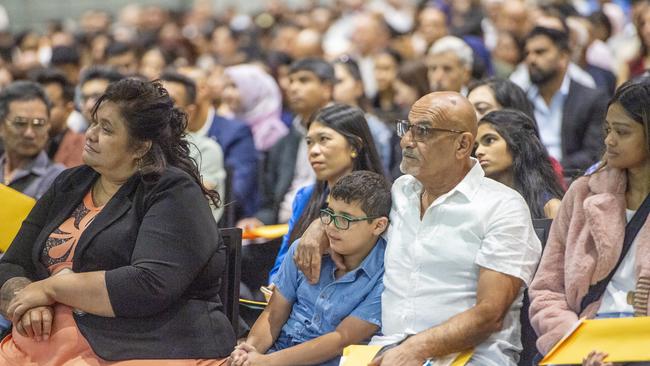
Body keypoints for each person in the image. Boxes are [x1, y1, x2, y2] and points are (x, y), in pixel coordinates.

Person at [295, 92, 541, 365]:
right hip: (385, 349)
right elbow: (354, 216)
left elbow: (490, 314)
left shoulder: (502, 207)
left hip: (468, 357)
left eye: (422, 131)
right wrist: (318, 228)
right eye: (407, 127)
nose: (406, 141)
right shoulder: (402, 191)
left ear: (462, 145)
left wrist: (416, 348)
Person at [0, 79, 236, 364]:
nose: (91, 135)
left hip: (143, 344)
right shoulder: (70, 182)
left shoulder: (172, 190)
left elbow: (149, 285)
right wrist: (24, 300)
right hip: (45, 339)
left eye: (107, 129)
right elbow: (13, 262)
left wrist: (50, 289)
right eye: (94, 123)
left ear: (140, 147)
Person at [529, 77, 650, 359]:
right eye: (608, 129)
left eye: (622, 132)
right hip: (584, 336)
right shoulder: (583, 193)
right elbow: (548, 289)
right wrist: (572, 342)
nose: (609, 140)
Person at [230, 170, 391, 366]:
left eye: (345, 219)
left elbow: (341, 339)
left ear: (378, 225)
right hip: (277, 350)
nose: (331, 226)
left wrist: (266, 361)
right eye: (329, 213)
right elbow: (273, 313)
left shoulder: (386, 274)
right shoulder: (305, 249)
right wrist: (250, 352)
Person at [268, 103, 384, 284]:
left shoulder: (380, 201)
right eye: (309, 142)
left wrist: (324, 225)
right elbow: (279, 269)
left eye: (324, 139)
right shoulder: (305, 197)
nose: (313, 151)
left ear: (354, 146)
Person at [236, 58, 334, 229]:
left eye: (304, 80)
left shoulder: (345, 133)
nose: (293, 88)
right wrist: (259, 221)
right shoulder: (284, 141)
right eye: (291, 81)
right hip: (282, 227)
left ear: (326, 89)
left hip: (327, 225)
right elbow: (269, 202)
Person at [520, 26, 608, 170]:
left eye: (540, 52)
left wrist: (549, 170)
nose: (531, 59)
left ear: (563, 57)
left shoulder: (592, 99)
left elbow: (594, 153)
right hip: (528, 181)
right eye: (527, 53)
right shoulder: (521, 99)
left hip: (574, 179)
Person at [160, 70, 226, 223]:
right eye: (157, 100)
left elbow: (192, 208)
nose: (161, 107)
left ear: (188, 111)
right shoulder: (138, 146)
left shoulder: (206, 149)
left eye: (170, 102)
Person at [475, 109, 564, 219]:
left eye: (489, 140)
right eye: (476, 145)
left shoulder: (551, 208)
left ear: (518, 144)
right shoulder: (475, 204)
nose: (478, 151)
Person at [0, 81, 64, 199]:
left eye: (38, 124)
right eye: (20, 123)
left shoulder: (57, 178)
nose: (29, 133)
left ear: (48, 126)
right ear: (1, 126)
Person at [333, 56, 394, 174]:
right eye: (329, 82)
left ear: (358, 87)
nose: (332, 88)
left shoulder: (373, 127)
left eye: (339, 81)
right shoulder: (325, 124)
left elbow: (379, 174)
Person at [221, 64, 289, 152]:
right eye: (225, 87)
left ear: (254, 89)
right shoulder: (226, 120)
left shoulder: (271, 131)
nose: (226, 93)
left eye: (234, 86)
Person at [33, 68, 85, 168]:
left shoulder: (82, 146)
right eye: (36, 106)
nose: (39, 113)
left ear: (68, 110)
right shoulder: (26, 142)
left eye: (49, 106)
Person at [71, 66, 124, 133]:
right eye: (85, 98)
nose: (89, 105)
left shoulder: (132, 140)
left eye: (97, 98)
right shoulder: (78, 137)